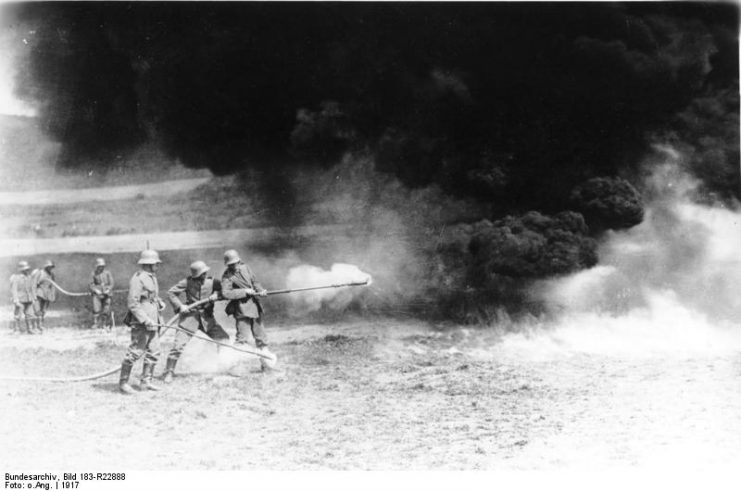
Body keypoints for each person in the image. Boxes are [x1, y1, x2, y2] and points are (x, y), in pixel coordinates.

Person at [162, 260, 229, 383]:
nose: (204, 275)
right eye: (202, 274)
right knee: (178, 345)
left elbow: (225, 290)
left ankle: (223, 366)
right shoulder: (187, 282)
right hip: (189, 318)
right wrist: (180, 306)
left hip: (206, 319)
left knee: (223, 339)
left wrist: (217, 293)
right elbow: (171, 293)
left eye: (205, 273)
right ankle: (169, 372)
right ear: (197, 275)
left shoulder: (213, 282)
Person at [118, 250, 166, 394]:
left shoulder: (152, 277)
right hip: (142, 323)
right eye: (156, 264)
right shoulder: (138, 278)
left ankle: (146, 382)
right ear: (150, 264)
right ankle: (123, 383)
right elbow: (133, 303)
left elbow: (151, 297)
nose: (158, 266)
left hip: (154, 321)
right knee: (135, 352)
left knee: (154, 351)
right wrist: (145, 320)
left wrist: (160, 302)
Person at [220, 249, 274, 368]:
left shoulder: (246, 268)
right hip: (241, 310)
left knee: (261, 338)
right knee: (241, 340)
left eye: (234, 263)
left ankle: (266, 365)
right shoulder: (227, 276)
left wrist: (261, 290)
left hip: (255, 307)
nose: (233, 266)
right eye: (230, 265)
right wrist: (244, 291)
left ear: (239, 261)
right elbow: (226, 293)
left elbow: (255, 282)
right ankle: (235, 367)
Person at [9, 261, 39, 334]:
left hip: (28, 299)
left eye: (27, 269)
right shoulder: (16, 278)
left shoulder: (29, 277)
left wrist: (34, 298)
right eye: (25, 269)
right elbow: (14, 289)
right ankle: (16, 329)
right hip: (20, 300)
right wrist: (16, 300)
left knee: (30, 315)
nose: (27, 271)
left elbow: (32, 288)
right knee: (18, 315)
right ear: (21, 270)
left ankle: (30, 329)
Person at [89, 258, 115, 330]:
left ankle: (104, 323)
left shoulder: (107, 273)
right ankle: (96, 323)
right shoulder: (93, 273)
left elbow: (112, 283)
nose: (101, 267)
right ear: (97, 266)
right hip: (97, 294)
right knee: (96, 308)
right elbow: (91, 284)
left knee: (106, 309)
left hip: (107, 293)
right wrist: (96, 290)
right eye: (99, 266)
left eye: (102, 266)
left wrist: (108, 289)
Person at [32, 260, 56, 332]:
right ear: (46, 267)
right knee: (37, 310)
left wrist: (53, 295)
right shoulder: (40, 273)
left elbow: (53, 286)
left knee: (44, 310)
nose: (50, 268)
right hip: (39, 293)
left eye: (51, 267)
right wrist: (33, 295)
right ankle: (36, 326)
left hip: (47, 294)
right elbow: (33, 284)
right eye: (49, 267)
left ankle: (41, 325)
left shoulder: (52, 275)